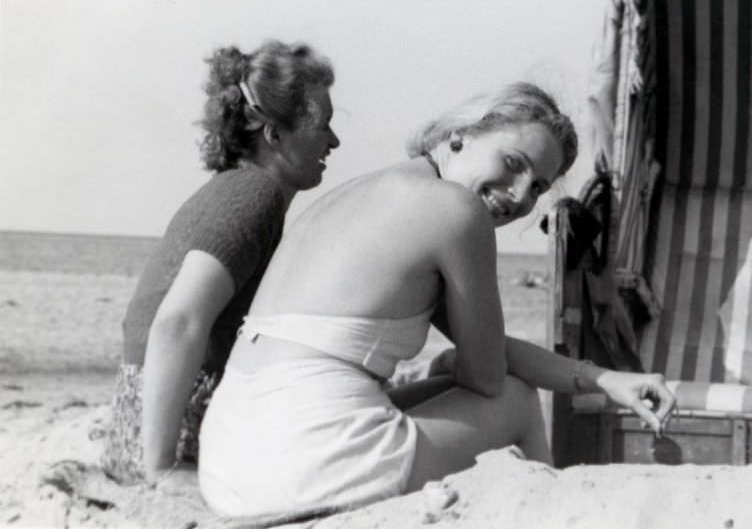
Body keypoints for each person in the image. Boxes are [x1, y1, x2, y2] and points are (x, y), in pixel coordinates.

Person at [198, 82, 675, 518]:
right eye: (512, 164)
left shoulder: (367, 191)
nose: (518, 196)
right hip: (306, 464)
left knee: (459, 372)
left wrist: (605, 379)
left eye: (538, 188)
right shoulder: (457, 211)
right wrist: (461, 363)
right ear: (460, 135)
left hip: (227, 465)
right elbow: (490, 379)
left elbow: (485, 354)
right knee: (517, 398)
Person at [101, 38, 340, 486]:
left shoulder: (231, 189)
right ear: (274, 135)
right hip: (174, 429)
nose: (335, 140)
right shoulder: (255, 195)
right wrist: (161, 467)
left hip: (140, 421)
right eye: (323, 125)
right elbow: (177, 321)